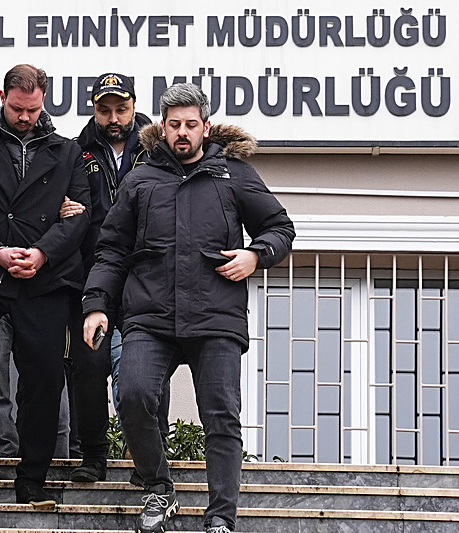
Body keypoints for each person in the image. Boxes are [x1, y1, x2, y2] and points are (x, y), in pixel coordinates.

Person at [82, 83, 295, 533]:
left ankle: (221, 516)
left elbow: (279, 227)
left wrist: (255, 255)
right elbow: (112, 250)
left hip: (215, 316)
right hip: (150, 316)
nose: (182, 132)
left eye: (191, 125)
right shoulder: (140, 180)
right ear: (162, 126)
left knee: (221, 416)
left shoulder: (234, 174)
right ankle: (159, 490)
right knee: (133, 395)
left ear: (206, 127)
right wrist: (97, 304)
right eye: (174, 124)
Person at [0, 64, 90, 508]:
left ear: (43, 101)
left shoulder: (68, 152)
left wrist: (42, 252)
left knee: (44, 374)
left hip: (44, 277)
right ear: (2, 98)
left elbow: (80, 216)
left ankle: (32, 478)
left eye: (32, 109)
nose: (25, 117)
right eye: (16, 109)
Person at [63, 72, 169, 483]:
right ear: (94, 109)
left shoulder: (158, 150)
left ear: (135, 106)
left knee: (148, 369)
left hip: (146, 279)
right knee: (89, 365)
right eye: (104, 110)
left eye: (121, 109)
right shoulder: (76, 151)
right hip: (93, 278)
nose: (113, 118)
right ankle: (93, 456)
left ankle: (149, 460)